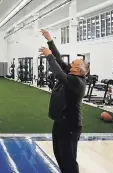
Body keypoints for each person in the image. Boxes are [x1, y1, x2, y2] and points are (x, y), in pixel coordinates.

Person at [38, 30, 89, 173]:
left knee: (68, 159)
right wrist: (50, 41)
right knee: (59, 155)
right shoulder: (72, 73)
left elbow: (59, 74)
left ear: (79, 70)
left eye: (73, 63)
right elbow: (59, 60)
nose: (70, 63)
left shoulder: (77, 82)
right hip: (60, 122)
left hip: (71, 126)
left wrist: (48, 56)